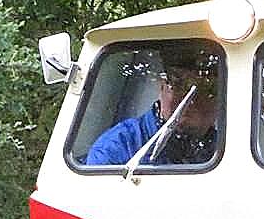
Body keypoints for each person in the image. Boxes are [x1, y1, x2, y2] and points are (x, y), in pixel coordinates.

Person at [85, 45, 220, 167]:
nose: (190, 100)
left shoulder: (224, 150)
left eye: (207, 89)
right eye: (179, 85)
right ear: (162, 87)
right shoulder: (116, 148)